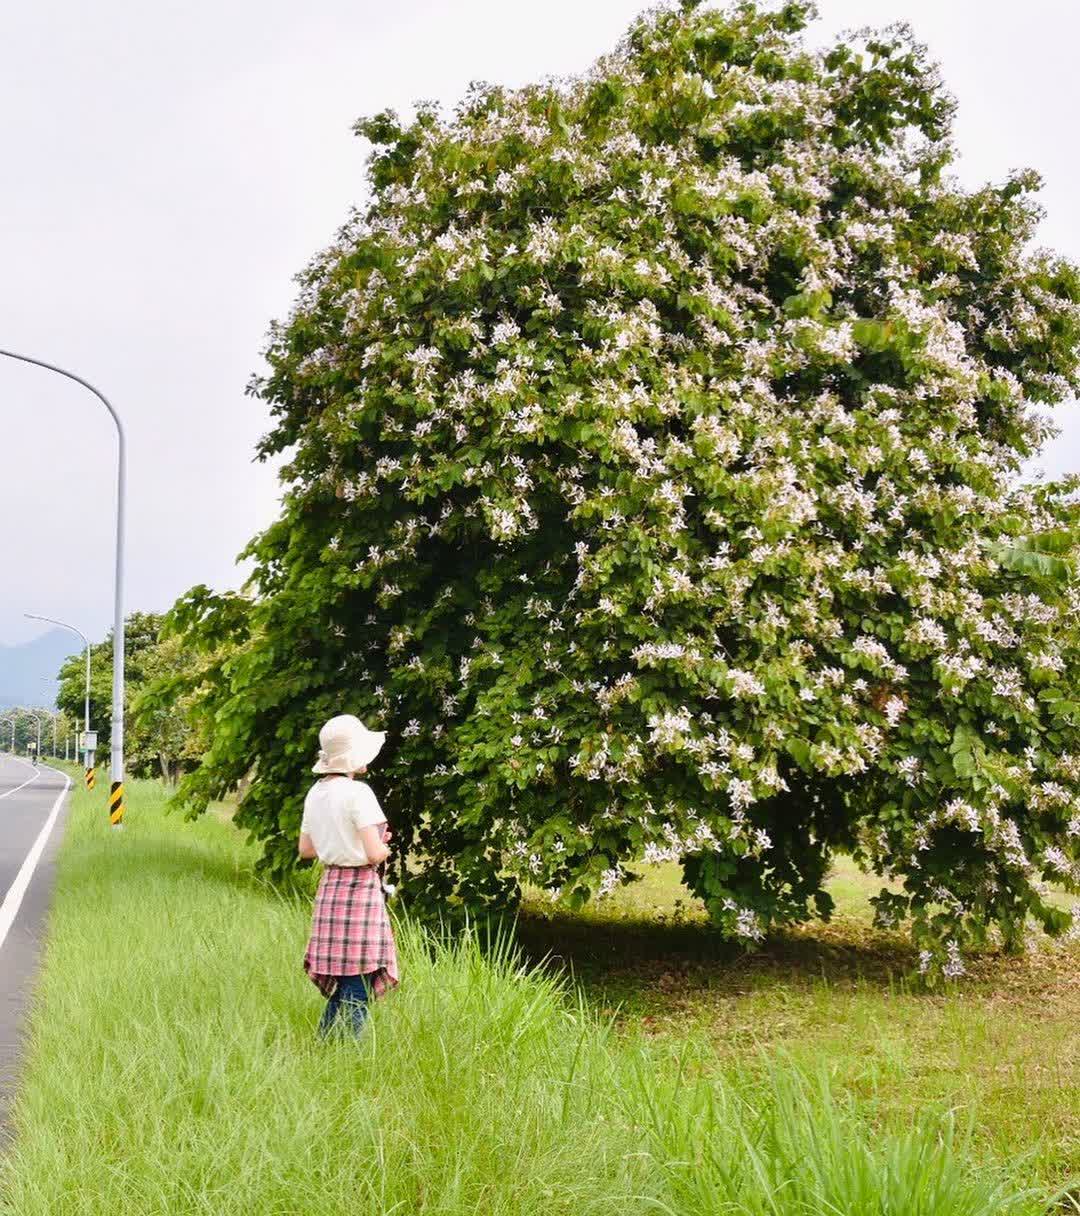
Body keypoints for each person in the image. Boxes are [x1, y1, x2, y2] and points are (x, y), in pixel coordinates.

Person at [299, 714, 399, 1037]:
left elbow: (306, 849)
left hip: (330, 887)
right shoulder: (359, 793)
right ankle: (351, 1051)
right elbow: (374, 854)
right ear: (354, 756)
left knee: (347, 978)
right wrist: (385, 847)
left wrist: (339, 841)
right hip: (358, 889)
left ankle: (323, 1041)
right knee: (359, 978)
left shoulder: (315, 793)